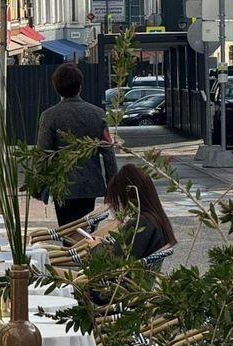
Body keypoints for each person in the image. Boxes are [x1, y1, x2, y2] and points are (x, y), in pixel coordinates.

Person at [37, 63, 117, 227]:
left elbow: (43, 154)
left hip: (63, 185)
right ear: (80, 86)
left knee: (68, 233)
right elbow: (108, 154)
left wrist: (39, 186)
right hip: (90, 184)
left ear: (57, 88)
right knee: (87, 234)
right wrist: (112, 185)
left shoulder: (49, 116)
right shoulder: (98, 114)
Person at [105, 165, 176, 259]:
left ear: (128, 196)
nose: (121, 204)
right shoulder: (156, 218)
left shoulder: (141, 223)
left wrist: (95, 247)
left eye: (120, 198)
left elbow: (117, 262)